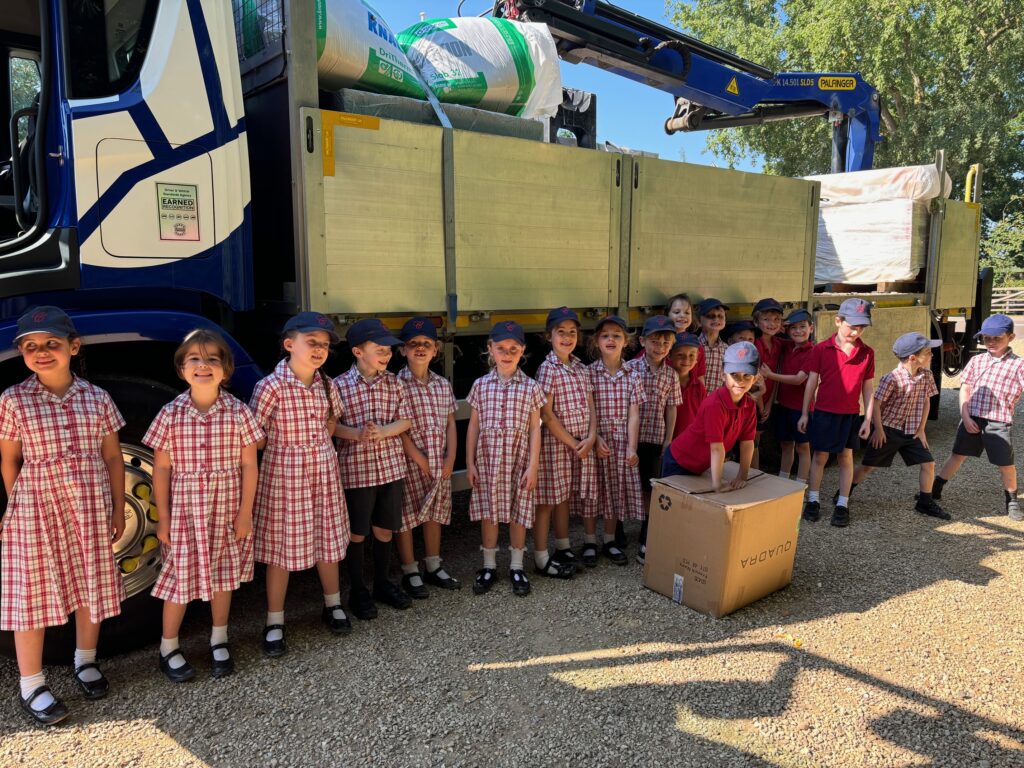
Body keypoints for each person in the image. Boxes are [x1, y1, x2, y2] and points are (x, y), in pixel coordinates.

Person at [0, 307, 126, 725]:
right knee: (31, 595)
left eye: (52, 343)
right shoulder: (13, 399)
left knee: (89, 582)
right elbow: (9, 462)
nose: (42, 352)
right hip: (36, 508)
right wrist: (14, 508)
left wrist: (117, 506)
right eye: (31, 347)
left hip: (88, 505)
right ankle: (31, 682)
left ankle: (85, 660)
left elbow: (111, 456)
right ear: (22, 354)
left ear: (73, 347)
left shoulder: (96, 397)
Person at [146, 329, 263, 682]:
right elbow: (162, 468)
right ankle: (169, 645)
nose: (204, 365)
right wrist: (162, 518)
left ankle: (219, 638)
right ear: (182, 368)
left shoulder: (239, 412)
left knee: (223, 575)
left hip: (226, 507)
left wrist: (245, 514)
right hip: (184, 510)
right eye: (195, 359)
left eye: (213, 359)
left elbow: (249, 465)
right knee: (179, 577)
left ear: (226, 370)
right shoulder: (170, 413)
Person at [250, 312, 351, 658]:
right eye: (313, 343)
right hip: (284, 475)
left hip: (322, 472)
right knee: (281, 547)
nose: (320, 350)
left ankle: (333, 603)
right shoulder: (270, 387)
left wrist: (323, 437)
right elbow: (256, 436)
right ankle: (274, 620)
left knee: (327, 537)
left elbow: (334, 416)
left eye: (324, 345)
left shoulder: (327, 384)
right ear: (289, 344)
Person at [333, 318, 413, 618]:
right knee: (357, 532)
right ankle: (357, 589)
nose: (386, 354)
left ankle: (382, 582)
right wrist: (357, 434)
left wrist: (382, 431)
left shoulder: (395, 383)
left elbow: (405, 420)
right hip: (356, 471)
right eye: (379, 349)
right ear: (357, 351)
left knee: (384, 529)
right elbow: (331, 426)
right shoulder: (338, 385)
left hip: (391, 469)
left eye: (389, 350)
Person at [465, 321, 546, 596]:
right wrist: (470, 462)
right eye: (501, 348)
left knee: (517, 512)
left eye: (513, 349)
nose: (507, 354)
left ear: (522, 351)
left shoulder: (531, 387)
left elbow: (535, 427)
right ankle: (488, 566)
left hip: (519, 459)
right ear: (490, 349)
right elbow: (474, 425)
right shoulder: (480, 385)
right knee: (490, 512)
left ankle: (516, 565)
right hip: (488, 459)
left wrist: (533, 465)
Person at [845, 332, 947, 520]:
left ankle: (924, 502)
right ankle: (844, 494)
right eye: (928, 352)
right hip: (889, 430)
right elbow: (876, 404)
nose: (932, 355)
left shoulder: (926, 375)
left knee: (929, 463)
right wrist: (879, 430)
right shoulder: (891, 378)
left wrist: (921, 429)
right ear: (913, 358)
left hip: (912, 431)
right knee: (868, 467)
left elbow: (926, 401)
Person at [932, 314, 1024, 521]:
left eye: (997, 338)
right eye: (986, 338)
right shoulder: (977, 360)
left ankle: (1011, 500)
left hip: (998, 421)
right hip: (971, 416)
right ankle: (935, 488)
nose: (991, 342)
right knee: (957, 454)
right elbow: (965, 388)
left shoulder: (1019, 365)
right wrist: (965, 416)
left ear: (1011, 337)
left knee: (1005, 464)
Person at [395, 317, 462, 597]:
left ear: (436, 349)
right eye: (413, 344)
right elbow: (399, 430)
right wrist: (420, 460)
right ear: (402, 350)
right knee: (407, 515)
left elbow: (450, 423)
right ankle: (410, 569)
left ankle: (433, 565)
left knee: (435, 510)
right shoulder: (397, 384)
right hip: (411, 460)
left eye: (426, 344)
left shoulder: (442, 384)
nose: (420, 349)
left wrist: (450, 459)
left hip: (439, 457)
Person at [798, 299, 875, 527]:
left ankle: (842, 503)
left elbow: (868, 388)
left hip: (850, 414)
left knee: (845, 457)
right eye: (852, 325)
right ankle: (813, 500)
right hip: (824, 412)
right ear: (838, 321)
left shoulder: (867, 353)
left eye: (861, 326)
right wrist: (805, 413)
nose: (856, 330)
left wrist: (868, 420)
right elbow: (811, 383)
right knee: (820, 456)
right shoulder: (822, 349)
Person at [533, 307, 596, 579]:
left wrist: (592, 435)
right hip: (557, 445)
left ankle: (562, 546)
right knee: (548, 500)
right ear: (549, 336)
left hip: (580, 443)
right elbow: (546, 415)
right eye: (561, 332)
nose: (567, 337)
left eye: (572, 332)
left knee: (564, 497)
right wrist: (572, 442)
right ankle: (540, 556)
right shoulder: (547, 369)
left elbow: (591, 404)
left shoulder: (580, 367)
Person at [585, 315, 644, 567]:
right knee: (591, 492)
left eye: (616, 335)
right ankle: (589, 540)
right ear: (596, 342)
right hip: (594, 440)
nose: (611, 339)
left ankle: (609, 540)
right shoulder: (588, 373)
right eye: (605, 335)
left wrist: (631, 446)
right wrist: (595, 437)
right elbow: (587, 411)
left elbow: (634, 414)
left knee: (613, 491)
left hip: (620, 440)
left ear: (626, 341)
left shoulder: (633, 374)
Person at [663, 342, 759, 493]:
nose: (740, 381)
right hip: (679, 461)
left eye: (747, 375)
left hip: (701, 465)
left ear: (755, 378)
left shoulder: (750, 405)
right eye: (734, 375)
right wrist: (717, 484)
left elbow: (747, 442)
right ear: (723, 375)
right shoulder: (714, 404)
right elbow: (716, 448)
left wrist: (742, 476)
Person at [625, 315, 682, 564]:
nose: (660, 347)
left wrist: (668, 440)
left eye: (666, 343)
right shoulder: (630, 368)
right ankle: (615, 533)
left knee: (650, 487)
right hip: (629, 439)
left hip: (655, 437)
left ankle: (647, 537)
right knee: (625, 484)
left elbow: (671, 408)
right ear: (642, 342)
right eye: (654, 341)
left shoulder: (671, 375)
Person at [761, 309, 812, 481]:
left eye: (803, 326)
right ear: (787, 331)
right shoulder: (787, 345)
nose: (798, 331)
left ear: (811, 328)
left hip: (802, 408)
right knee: (785, 444)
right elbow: (770, 338)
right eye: (793, 328)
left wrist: (770, 375)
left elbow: (799, 379)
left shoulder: (813, 351)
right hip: (783, 405)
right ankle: (783, 481)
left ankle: (801, 484)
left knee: (803, 447)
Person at [667, 332, 707, 440]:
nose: (686, 360)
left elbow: (703, 417)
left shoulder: (699, 387)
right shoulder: (664, 383)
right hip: (666, 441)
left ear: (697, 357)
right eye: (680, 355)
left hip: (691, 441)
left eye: (691, 355)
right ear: (669, 355)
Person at [697, 298, 729, 391]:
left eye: (720, 316)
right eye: (710, 316)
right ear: (699, 320)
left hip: (716, 401)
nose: (716, 319)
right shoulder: (693, 345)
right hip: (695, 401)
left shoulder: (727, 349)